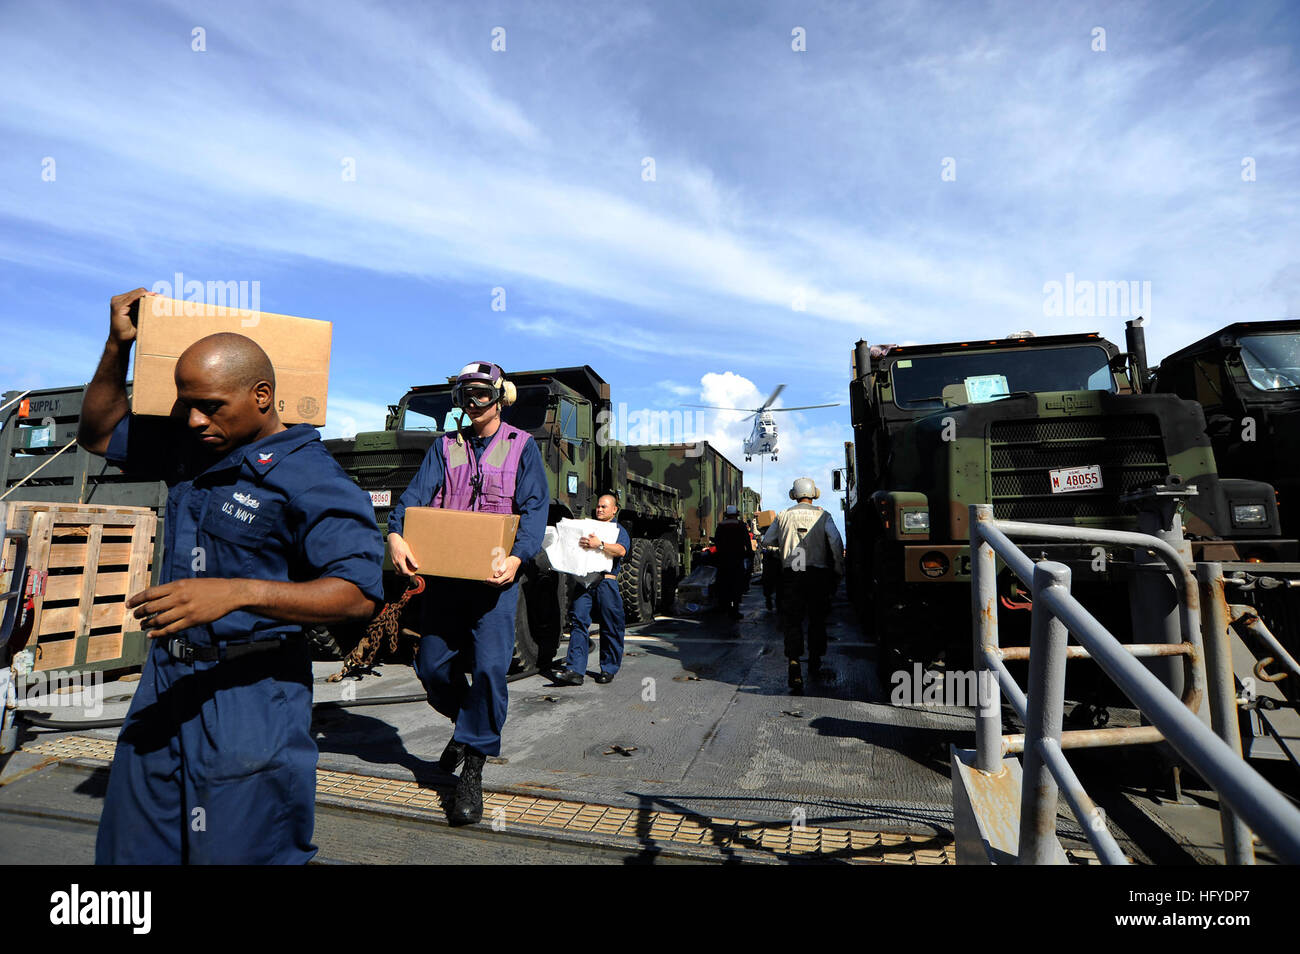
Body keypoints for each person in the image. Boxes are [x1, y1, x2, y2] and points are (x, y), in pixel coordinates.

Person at [79, 288, 384, 864]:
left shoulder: (312, 479)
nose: (194, 418)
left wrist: (238, 594)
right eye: (186, 402)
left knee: (241, 853)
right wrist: (118, 347)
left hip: (251, 696)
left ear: (262, 396)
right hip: (167, 681)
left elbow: (358, 594)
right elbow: (96, 434)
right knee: (131, 854)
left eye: (212, 404)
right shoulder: (195, 447)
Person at [385, 361, 546, 825]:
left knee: (492, 671)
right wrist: (395, 536)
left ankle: (471, 770)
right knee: (432, 667)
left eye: (480, 395)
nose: (472, 404)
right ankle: (468, 727)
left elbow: (534, 511)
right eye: (464, 396)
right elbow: (413, 500)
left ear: (499, 397)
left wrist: (517, 558)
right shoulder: (444, 448)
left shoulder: (522, 448)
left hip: (494, 588)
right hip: (446, 583)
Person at [763, 477, 844, 694]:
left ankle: (794, 661)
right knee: (817, 619)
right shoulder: (823, 515)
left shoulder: (783, 516)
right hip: (817, 574)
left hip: (792, 574)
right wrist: (838, 568)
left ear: (794, 494)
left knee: (792, 620)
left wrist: (783, 545)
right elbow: (835, 542)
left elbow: (767, 541)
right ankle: (815, 658)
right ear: (814, 494)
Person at [553, 493, 630, 686]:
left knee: (610, 625)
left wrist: (600, 545)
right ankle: (575, 671)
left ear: (614, 509)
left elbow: (621, 550)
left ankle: (608, 668)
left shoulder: (617, 530)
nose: (600, 509)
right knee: (579, 621)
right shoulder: (587, 527)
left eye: (604, 507)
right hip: (584, 582)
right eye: (598, 506)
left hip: (605, 582)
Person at [712, 504, 751, 619]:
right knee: (736, 585)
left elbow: (717, 541)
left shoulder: (721, 526)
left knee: (724, 584)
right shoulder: (741, 525)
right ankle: (734, 609)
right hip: (737, 559)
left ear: (726, 515)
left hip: (723, 560)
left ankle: (724, 606)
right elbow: (747, 542)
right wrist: (749, 554)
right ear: (736, 515)